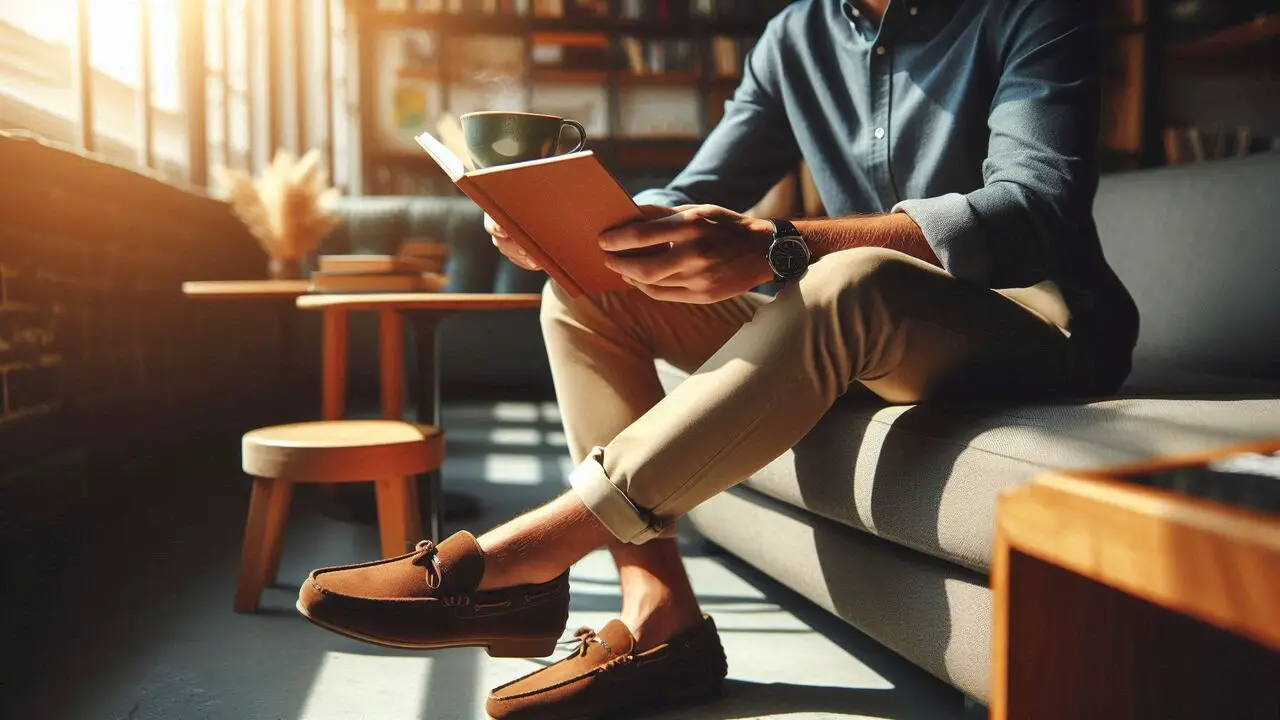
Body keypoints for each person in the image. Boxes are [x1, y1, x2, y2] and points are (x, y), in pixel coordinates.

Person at [297, 0, 1139, 717]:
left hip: (1040, 329)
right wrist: (584, 232)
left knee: (848, 277)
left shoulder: (1033, 12)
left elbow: (1034, 208)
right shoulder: (796, 36)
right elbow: (703, 183)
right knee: (587, 292)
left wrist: (781, 243)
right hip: (876, 340)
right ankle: (660, 617)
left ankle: (523, 557)